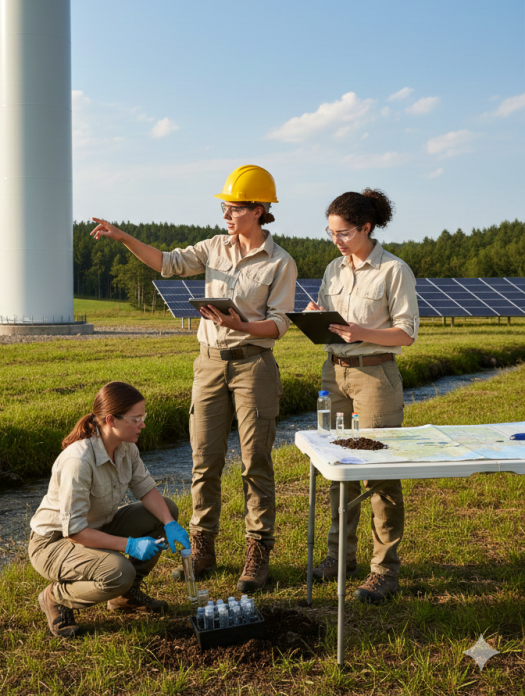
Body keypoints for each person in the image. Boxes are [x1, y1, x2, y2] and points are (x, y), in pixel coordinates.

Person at [91, 165, 297, 593]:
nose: (226, 213)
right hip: (208, 363)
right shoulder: (213, 247)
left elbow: (278, 325)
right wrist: (124, 236)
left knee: (255, 461)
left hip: (253, 365)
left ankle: (257, 552)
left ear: (258, 211)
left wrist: (238, 323)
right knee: (204, 459)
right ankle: (203, 546)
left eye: (234, 207)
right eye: (223, 206)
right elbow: (167, 264)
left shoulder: (280, 262)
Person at [305, 188, 419, 603]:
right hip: (333, 373)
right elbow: (335, 323)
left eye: (344, 232)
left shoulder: (394, 270)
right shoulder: (334, 269)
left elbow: (406, 333)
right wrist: (319, 319)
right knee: (338, 467)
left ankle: (384, 571)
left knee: (380, 472)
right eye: (331, 232)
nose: (336, 240)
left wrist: (361, 332)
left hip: (375, 375)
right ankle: (340, 557)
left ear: (367, 228)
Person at [29, 381, 190, 638]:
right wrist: (130, 545)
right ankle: (56, 597)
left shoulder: (127, 448)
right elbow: (74, 531)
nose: (143, 424)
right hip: (54, 544)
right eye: (136, 418)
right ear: (111, 420)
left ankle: (126, 598)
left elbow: (146, 489)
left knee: (164, 510)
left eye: (143, 417)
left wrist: (170, 523)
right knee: (119, 571)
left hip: (97, 527)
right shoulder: (78, 461)